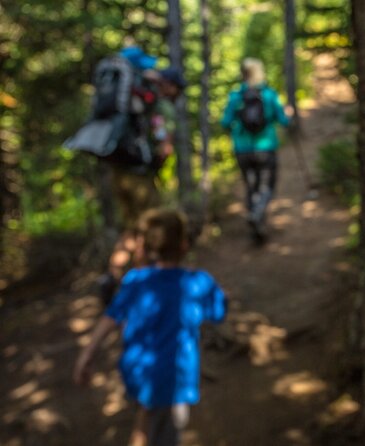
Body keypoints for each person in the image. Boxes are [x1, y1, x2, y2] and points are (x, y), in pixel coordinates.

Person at [74, 208, 226, 446]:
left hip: (136, 372)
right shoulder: (199, 282)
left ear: (145, 245)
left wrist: (87, 354)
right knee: (164, 432)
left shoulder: (135, 280)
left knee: (147, 416)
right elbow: (218, 313)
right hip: (172, 379)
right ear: (184, 245)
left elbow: (110, 317)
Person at [100, 64, 187, 302]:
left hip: (118, 171)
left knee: (130, 228)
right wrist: (158, 164)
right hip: (139, 176)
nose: (177, 94)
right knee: (147, 229)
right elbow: (165, 146)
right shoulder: (161, 106)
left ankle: (111, 276)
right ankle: (143, 284)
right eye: (177, 88)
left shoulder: (137, 102)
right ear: (168, 85)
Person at [220, 57, 292, 243]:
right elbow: (283, 120)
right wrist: (288, 115)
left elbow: (225, 122)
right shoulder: (269, 95)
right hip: (265, 147)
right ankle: (258, 214)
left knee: (251, 186)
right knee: (267, 186)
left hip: (242, 149)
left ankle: (255, 219)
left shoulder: (236, 96)